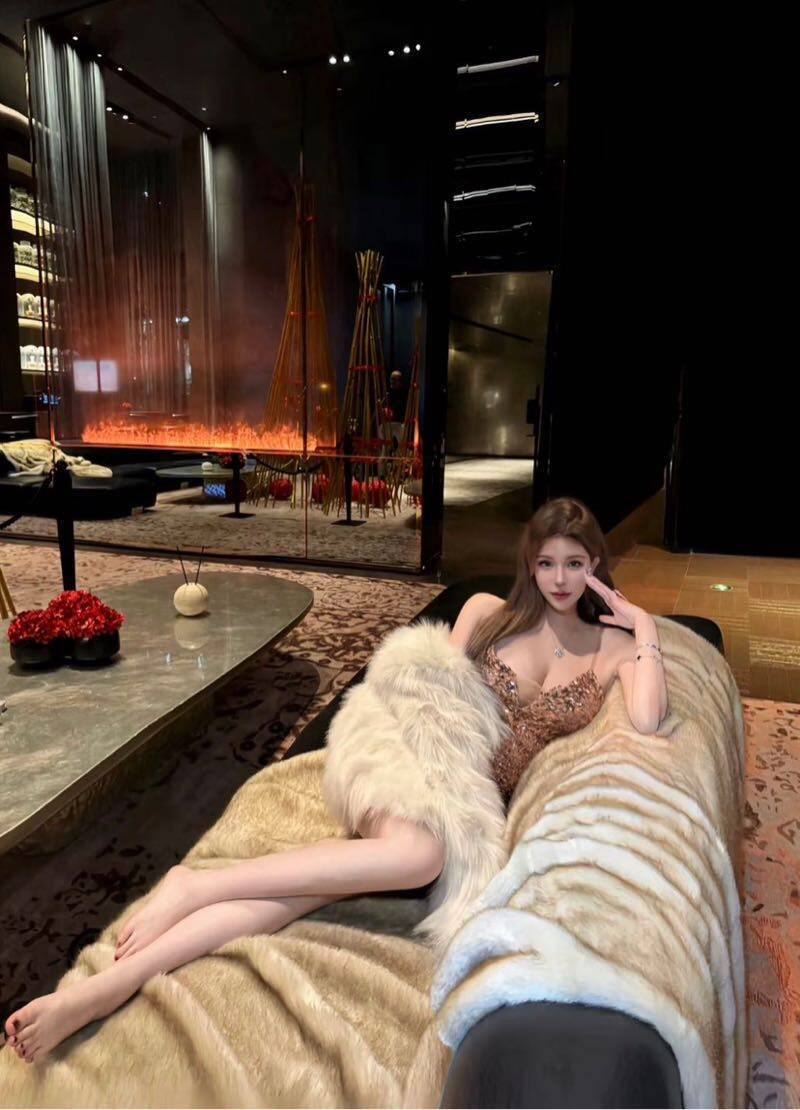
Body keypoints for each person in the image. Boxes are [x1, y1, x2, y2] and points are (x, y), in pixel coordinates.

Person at [3, 496, 668, 1064]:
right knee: (420, 855)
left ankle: (106, 988)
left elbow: (647, 715)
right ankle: (200, 884)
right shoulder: (490, 611)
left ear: (596, 566)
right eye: (547, 562)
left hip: (463, 796)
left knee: (304, 894)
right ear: (530, 564)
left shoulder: (612, 649)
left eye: (575, 563)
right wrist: (430, 764)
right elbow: (423, 690)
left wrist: (642, 625)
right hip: (406, 748)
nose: (560, 578)